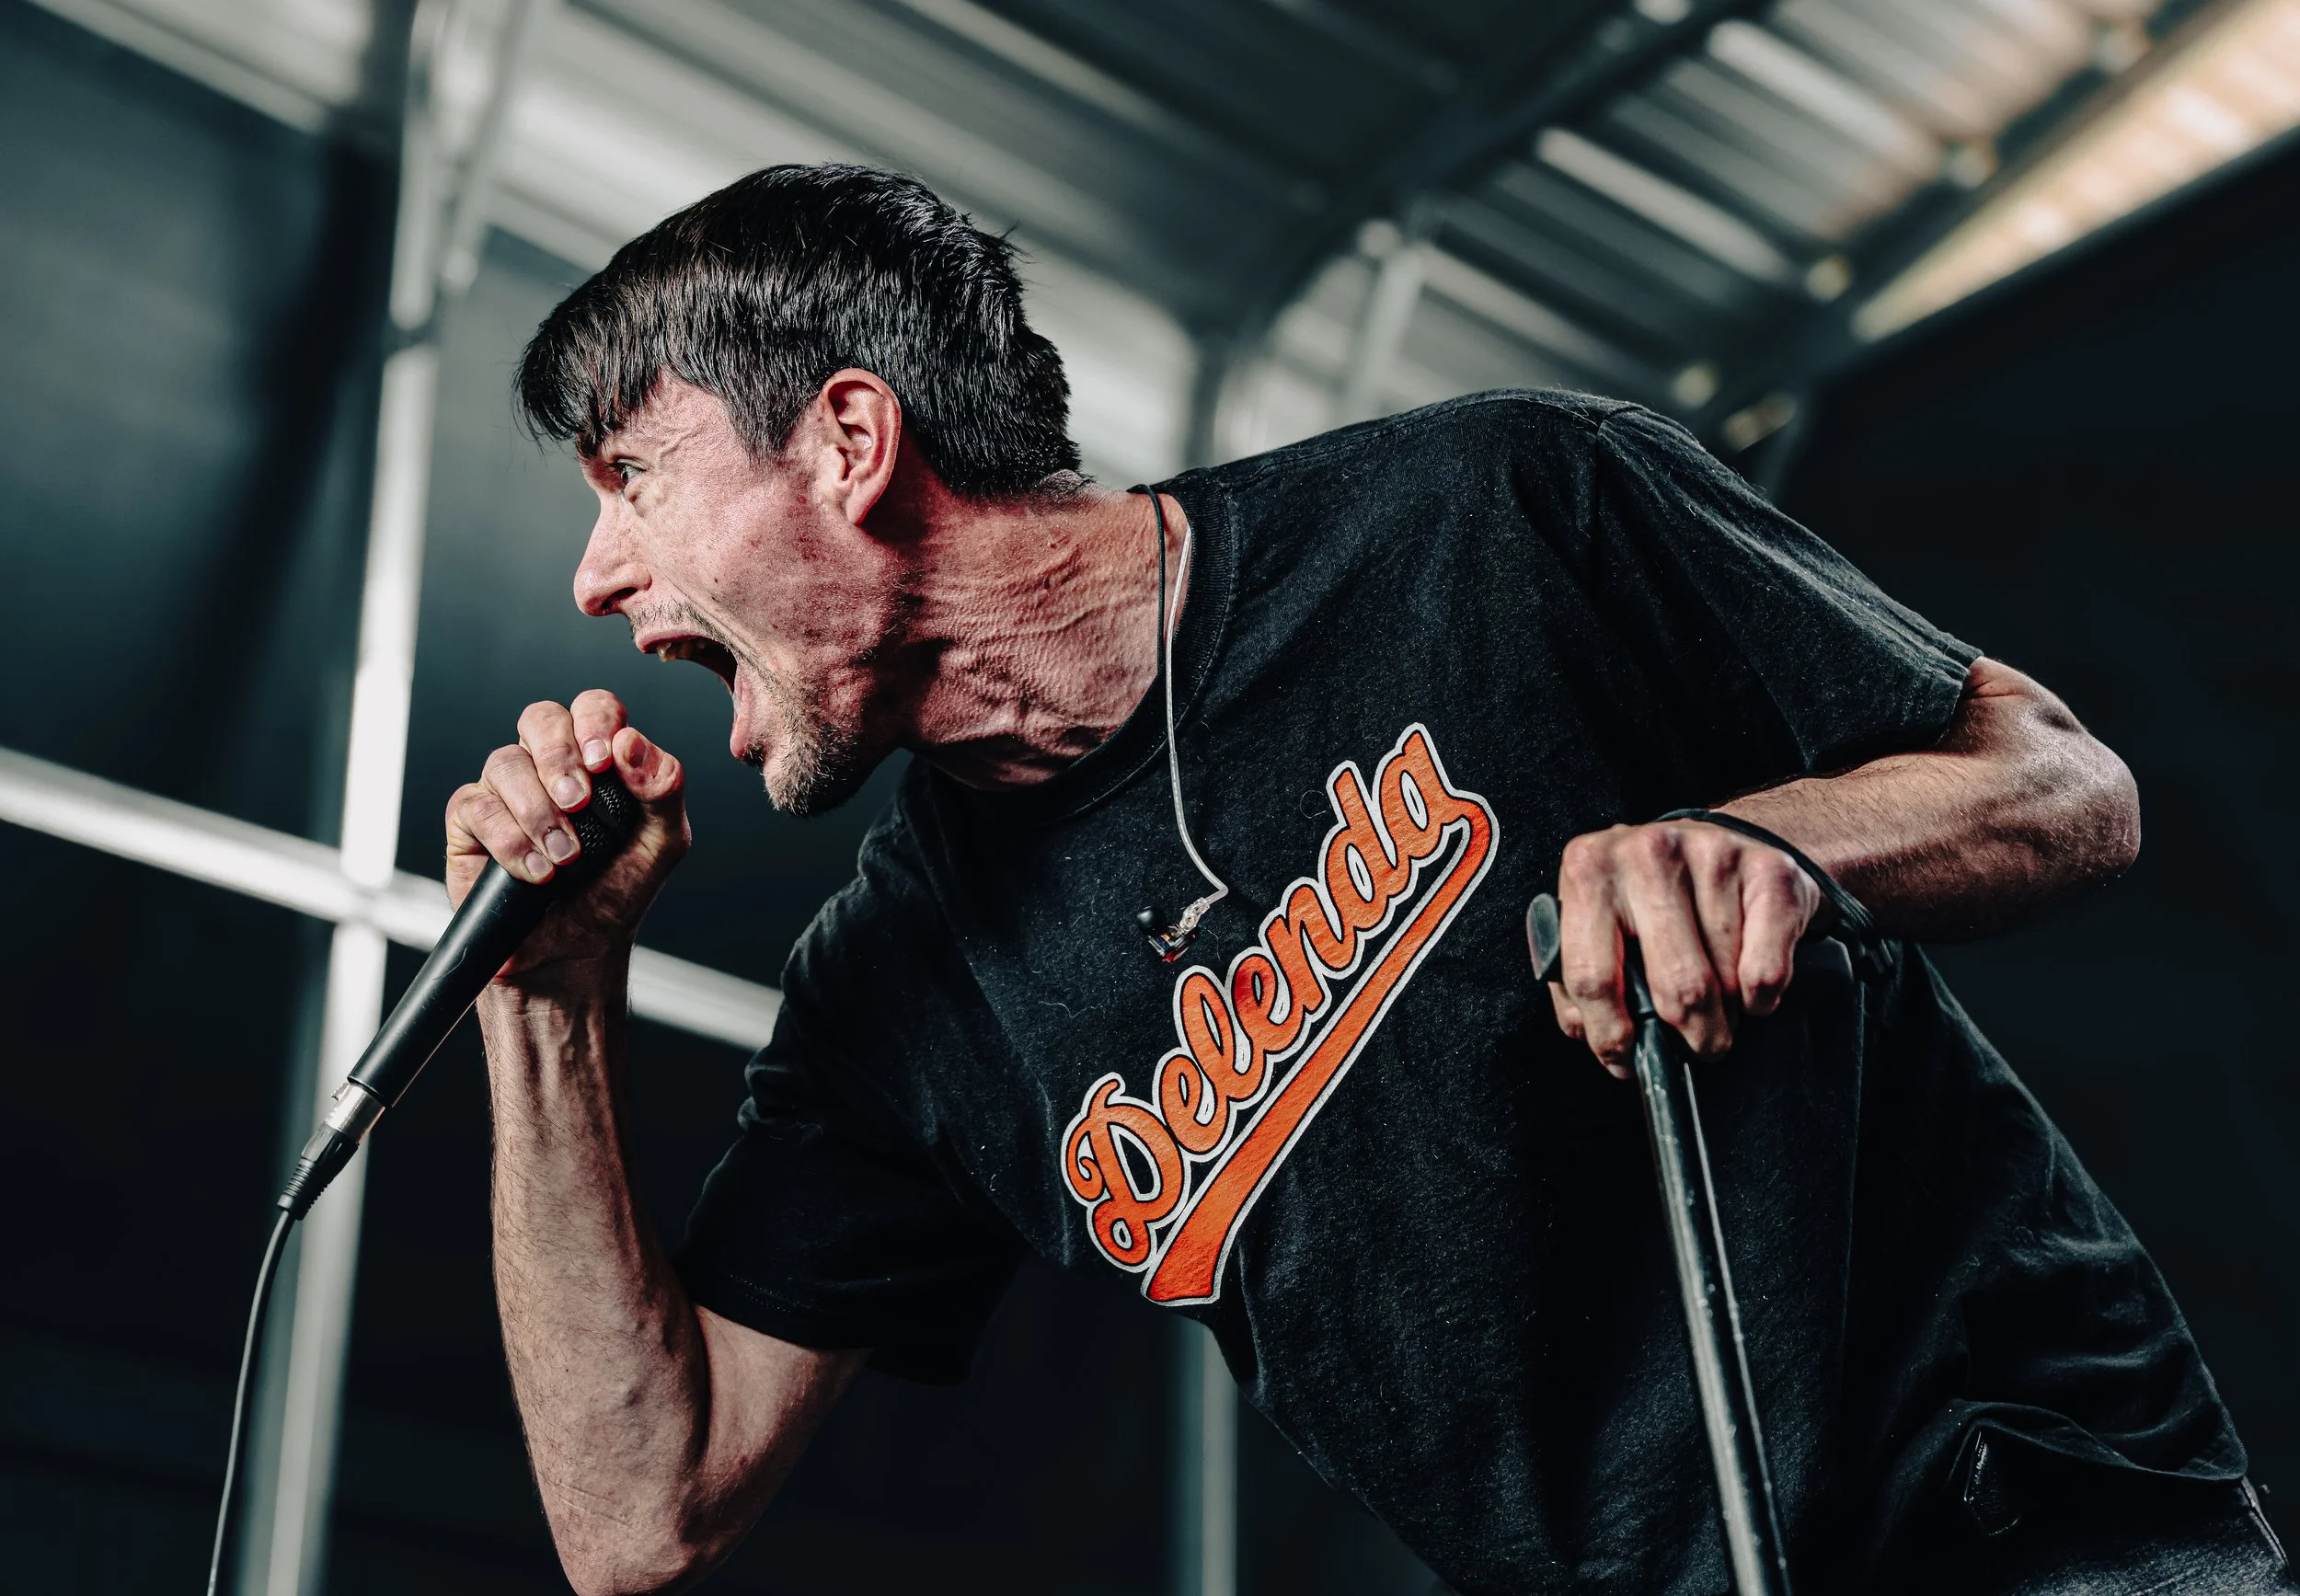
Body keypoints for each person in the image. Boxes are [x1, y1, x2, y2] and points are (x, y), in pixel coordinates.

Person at [446, 164, 2280, 1596]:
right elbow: (642, 1521)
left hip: (2022, 1531)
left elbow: (2057, 783)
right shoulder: (903, 994)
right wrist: (542, 1008)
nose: (599, 578)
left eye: (633, 474)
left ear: (847, 443)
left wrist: (1766, 840)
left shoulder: (1491, 510)